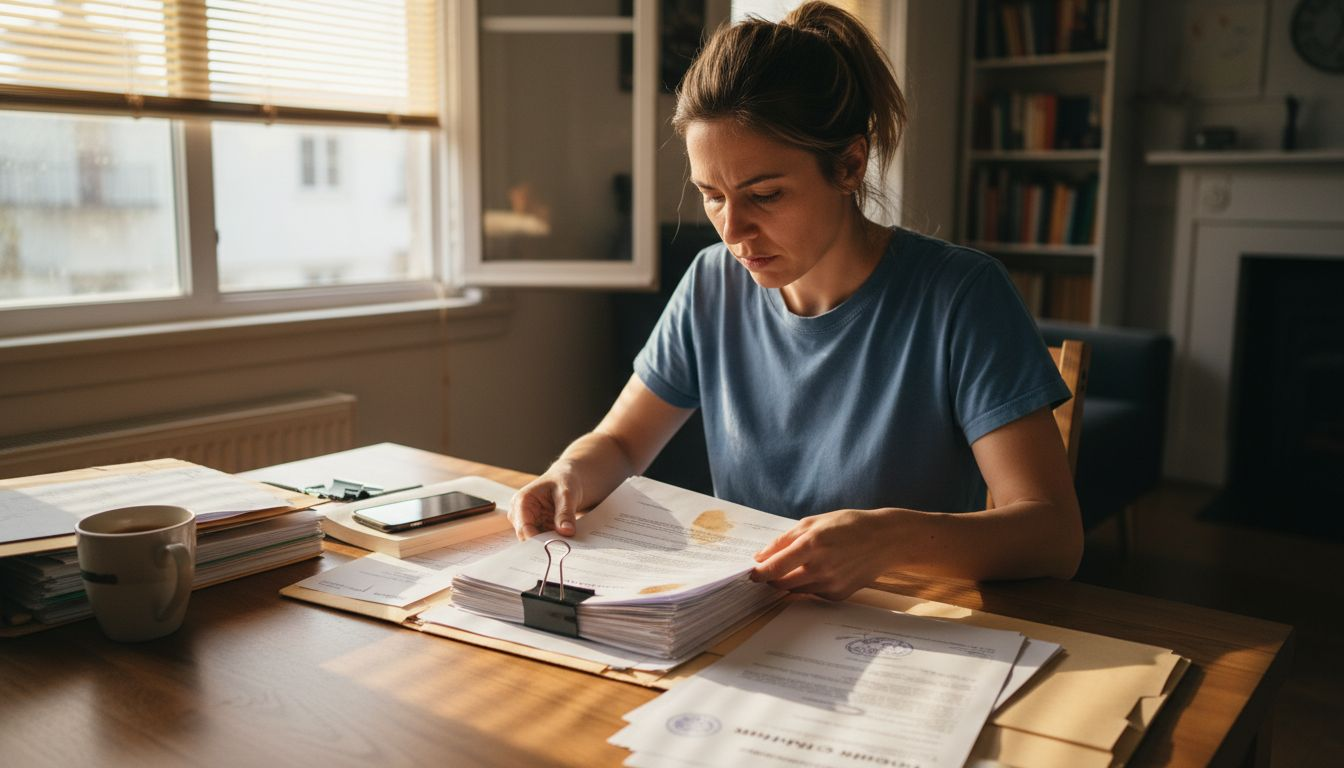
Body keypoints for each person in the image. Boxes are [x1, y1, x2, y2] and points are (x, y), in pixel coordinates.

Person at [509, 2, 1082, 600]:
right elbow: (624, 443)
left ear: (850, 165)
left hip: (903, 625)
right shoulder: (712, 283)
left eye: (765, 194)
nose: (732, 231)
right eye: (711, 195)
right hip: (748, 615)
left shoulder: (960, 295)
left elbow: (1053, 536)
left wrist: (889, 539)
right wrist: (567, 472)